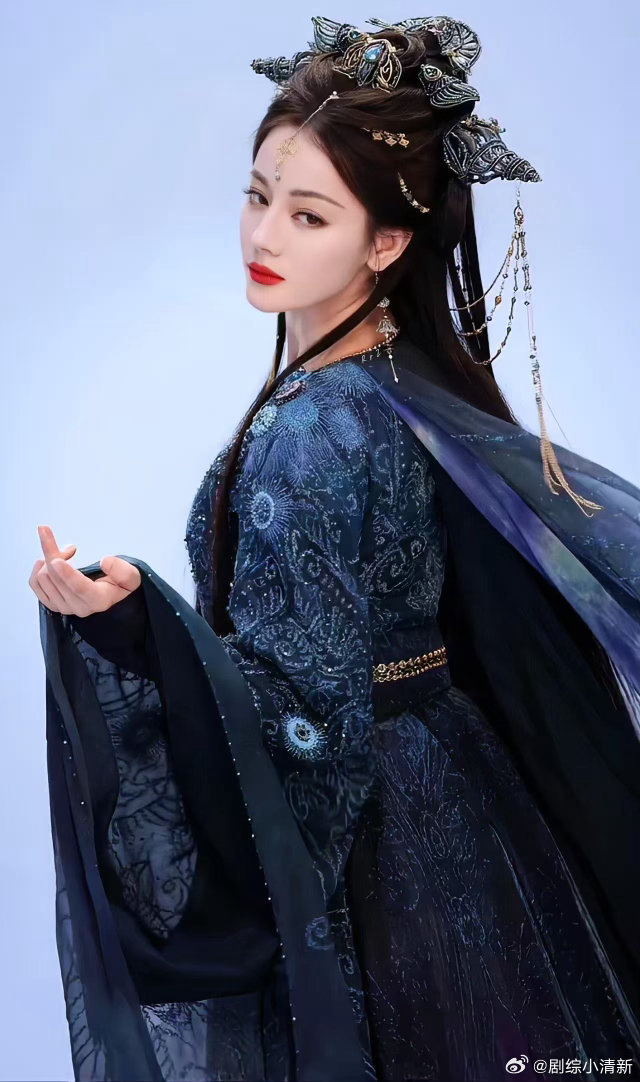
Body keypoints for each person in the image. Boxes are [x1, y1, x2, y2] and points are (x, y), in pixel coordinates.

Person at [31, 16, 640, 1082]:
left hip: (377, 850)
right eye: (257, 194)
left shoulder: (309, 430)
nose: (264, 235)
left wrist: (137, 624)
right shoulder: (399, 383)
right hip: (459, 799)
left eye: (308, 214)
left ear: (386, 243)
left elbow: (307, 713)